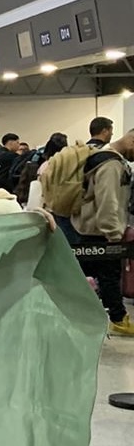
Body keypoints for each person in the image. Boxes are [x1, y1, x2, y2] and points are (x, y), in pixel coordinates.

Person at [70, 128, 134, 337]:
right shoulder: (111, 164)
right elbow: (108, 201)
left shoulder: (100, 158)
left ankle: (105, 318)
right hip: (100, 232)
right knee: (109, 278)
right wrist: (114, 235)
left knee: (88, 277)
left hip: (89, 229)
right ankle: (118, 319)